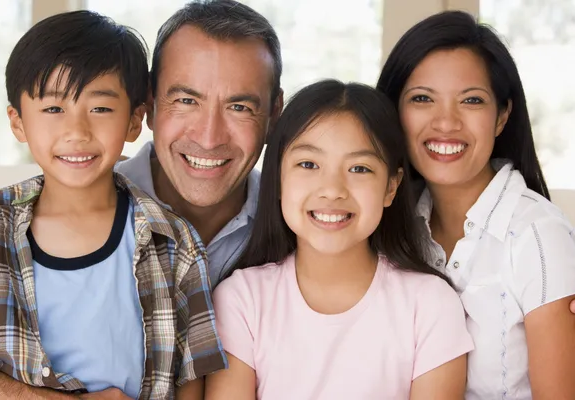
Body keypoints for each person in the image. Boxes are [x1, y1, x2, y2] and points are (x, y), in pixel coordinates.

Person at [0, 10, 225, 399]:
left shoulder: (174, 243)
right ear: (18, 122)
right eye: (54, 109)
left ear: (135, 120)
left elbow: (190, 379)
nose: (77, 132)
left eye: (101, 108)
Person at [204, 80, 474, 400]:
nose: (332, 189)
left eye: (359, 168)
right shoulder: (240, 300)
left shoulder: (430, 305)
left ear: (391, 186)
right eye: (308, 164)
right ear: (278, 177)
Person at [377, 11, 575, 399]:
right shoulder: (385, 224)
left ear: (501, 116)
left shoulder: (539, 236)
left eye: (471, 100)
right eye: (422, 99)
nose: (446, 122)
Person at [115, 0, 283, 288]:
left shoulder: (299, 226)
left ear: (274, 115)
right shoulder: (72, 209)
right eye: (186, 101)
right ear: (150, 104)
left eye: (239, 107)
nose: (209, 138)